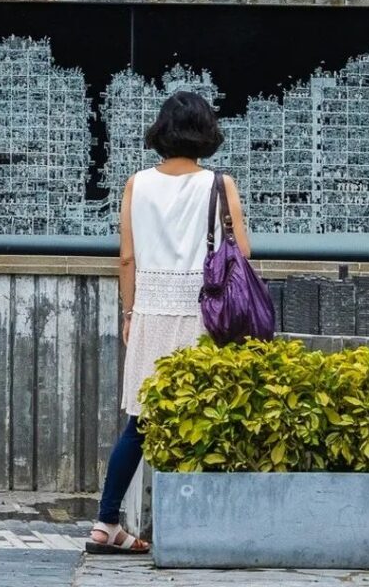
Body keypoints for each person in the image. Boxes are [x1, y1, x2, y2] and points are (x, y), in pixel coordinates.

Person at [87, 91, 251, 554]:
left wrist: (129, 312)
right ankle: (199, 527)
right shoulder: (221, 185)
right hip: (204, 314)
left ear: (162, 132)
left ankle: (105, 524)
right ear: (207, 133)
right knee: (205, 418)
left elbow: (126, 258)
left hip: (151, 312)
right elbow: (243, 252)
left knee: (140, 423)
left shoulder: (136, 184)